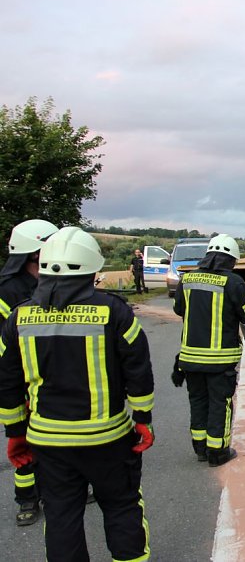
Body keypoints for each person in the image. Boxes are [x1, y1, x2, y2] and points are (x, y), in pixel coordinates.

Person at [0, 227, 155, 561]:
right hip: (108, 439)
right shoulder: (115, 312)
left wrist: (15, 434)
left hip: (48, 442)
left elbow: (7, 384)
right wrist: (143, 419)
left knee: (60, 515)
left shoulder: (18, 318)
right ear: (91, 269)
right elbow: (139, 371)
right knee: (122, 506)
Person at [172, 234, 245, 466]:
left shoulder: (187, 279)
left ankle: (200, 449)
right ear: (231, 260)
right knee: (220, 404)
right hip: (220, 360)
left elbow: (178, 309)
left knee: (198, 401)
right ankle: (218, 453)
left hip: (190, 358)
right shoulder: (234, 282)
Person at [0, 219, 58, 527]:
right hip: (21, 379)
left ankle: (62, 487)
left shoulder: (58, 282)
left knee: (59, 438)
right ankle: (27, 498)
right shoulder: (7, 292)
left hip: (54, 375)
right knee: (21, 442)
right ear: (34, 253)